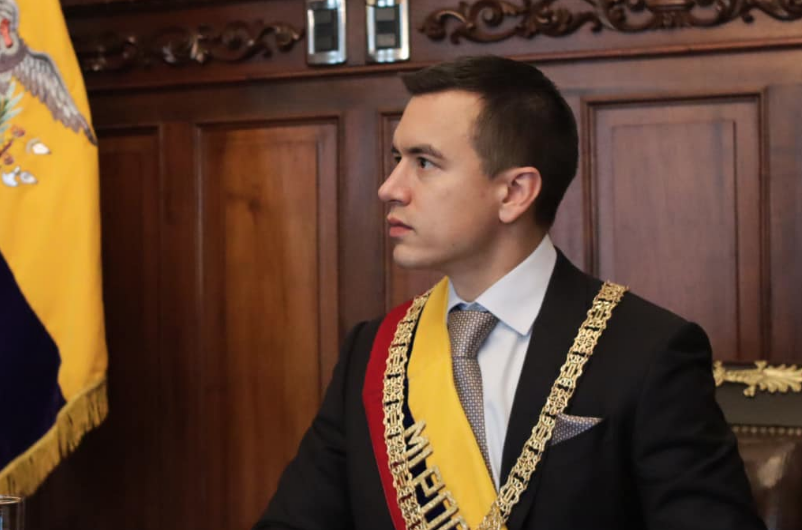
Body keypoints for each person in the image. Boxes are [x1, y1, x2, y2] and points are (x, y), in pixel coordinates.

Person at [254, 55, 764, 530]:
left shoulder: (648, 350)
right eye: (397, 158)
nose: (390, 187)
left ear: (515, 192)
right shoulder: (371, 353)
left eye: (424, 162)